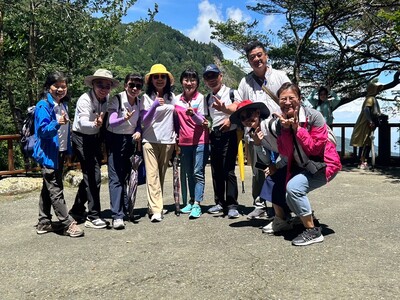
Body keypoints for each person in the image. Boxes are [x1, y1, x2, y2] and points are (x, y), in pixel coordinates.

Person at [274, 82, 341, 246]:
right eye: (283, 99)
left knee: (294, 189)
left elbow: (316, 148)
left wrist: (297, 129)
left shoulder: (314, 117)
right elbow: (285, 151)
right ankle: (310, 221)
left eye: (291, 98)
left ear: (300, 99)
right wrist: (285, 130)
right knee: (289, 196)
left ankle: (312, 231)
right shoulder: (279, 122)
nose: (287, 102)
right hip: (304, 166)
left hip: (324, 164)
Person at [236, 40, 291, 219]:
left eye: (260, 55)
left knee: (281, 167)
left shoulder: (280, 76)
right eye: (252, 57)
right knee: (259, 169)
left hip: (278, 133)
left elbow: (290, 98)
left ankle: (283, 206)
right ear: (248, 61)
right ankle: (259, 204)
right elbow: (239, 105)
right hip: (254, 135)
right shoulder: (245, 82)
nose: (257, 59)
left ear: (266, 56)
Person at [33, 71, 84, 237]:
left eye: (64, 86)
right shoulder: (43, 106)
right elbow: (42, 131)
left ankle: (43, 222)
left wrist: (68, 150)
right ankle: (68, 223)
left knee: (48, 187)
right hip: (48, 154)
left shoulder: (63, 105)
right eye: (57, 86)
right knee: (55, 188)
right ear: (49, 88)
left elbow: (65, 132)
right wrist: (56, 123)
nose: (61, 89)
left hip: (59, 153)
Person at [229, 100, 290, 234]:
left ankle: (284, 218)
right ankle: (284, 217)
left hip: (296, 160)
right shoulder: (254, 133)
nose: (247, 120)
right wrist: (257, 144)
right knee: (271, 179)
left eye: (249, 114)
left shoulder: (272, 126)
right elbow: (265, 160)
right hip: (286, 161)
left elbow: (289, 148)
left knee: (274, 181)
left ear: (258, 113)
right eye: (242, 118)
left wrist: (276, 166)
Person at [69, 69, 119, 229]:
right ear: (93, 84)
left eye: (107, 85)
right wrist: (94, 124)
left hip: (94, 138)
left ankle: (77, 210)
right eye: (100, 84)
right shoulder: (85, 100)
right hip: (81, 137)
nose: (104, 88)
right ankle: (93, 216)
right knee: (93, 176)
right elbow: (83, 122)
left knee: (89, 175)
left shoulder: (106, 99)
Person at [203, 64, 240, 218]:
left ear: (220, 76)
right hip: (215, 134)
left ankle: (232, 204)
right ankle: (219, 202)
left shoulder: (232, 92)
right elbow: (208, 118)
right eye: (207, 77)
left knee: (229, 170)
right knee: (216, 170)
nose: (211, 80)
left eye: (214, 76)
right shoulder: (207, 98)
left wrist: (230, 120)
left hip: (230, 134)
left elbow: (238, 108)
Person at [106, 73, 143, 229]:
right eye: (131, 85)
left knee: (128, 176)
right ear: (125, 85)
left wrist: (139, 130)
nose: (134, 88)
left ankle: (127, 207)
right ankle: (117, 215)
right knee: (116, 178)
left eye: (138, 86)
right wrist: (124, 118)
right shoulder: (117, 99)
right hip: (114, 140)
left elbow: (141, 121)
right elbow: (112, 122)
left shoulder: (140, 102)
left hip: (130, 140)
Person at [140, 64, 176, 222]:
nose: (160, 79)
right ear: (151, 80)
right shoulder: (146, 98)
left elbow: (176, 118)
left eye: (163, 76)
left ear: (167, 79)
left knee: (160, 175)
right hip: (149, 141)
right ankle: (156, 210)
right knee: (152, 175)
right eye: (156, 77)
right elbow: (144, 121)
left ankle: (153, 205)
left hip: (168, 141)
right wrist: (154, 105)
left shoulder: (172, 97)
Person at [174, 68, 209, 219]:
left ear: (197, 83)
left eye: (193, 80)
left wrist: (192, 114)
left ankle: (197, 204)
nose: (189, 83)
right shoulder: (176, 99)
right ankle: (190, 200)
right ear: (181, 82)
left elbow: (203, 121)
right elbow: (174, 121)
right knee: (188, 173)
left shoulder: (200, 98)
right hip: (184, 141)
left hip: (200, 140)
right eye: (186, 80)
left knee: (197, 173)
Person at [350, 79, 384, 170]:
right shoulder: (370, 99)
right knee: (365, 142)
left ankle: (363, 161)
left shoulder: (370, 98)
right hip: (366, 123)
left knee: (366, 142)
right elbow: (366, 109)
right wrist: (370, 121)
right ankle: (362, 161)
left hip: (366, 123)